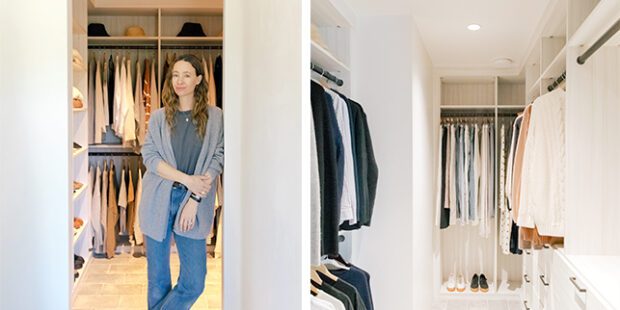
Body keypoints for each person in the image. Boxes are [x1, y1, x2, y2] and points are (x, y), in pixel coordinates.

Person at [139, 54, 224, 309]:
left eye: (187, 75)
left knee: (194, 281)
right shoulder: (158, 117)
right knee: (158, 281)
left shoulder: (215, 116)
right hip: (158, 200)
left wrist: (195, 198)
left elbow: (218, 157)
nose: (180, 81)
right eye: (175, 75)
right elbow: (150, 158)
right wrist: (187, 180)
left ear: (198, 79)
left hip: (193, 202)